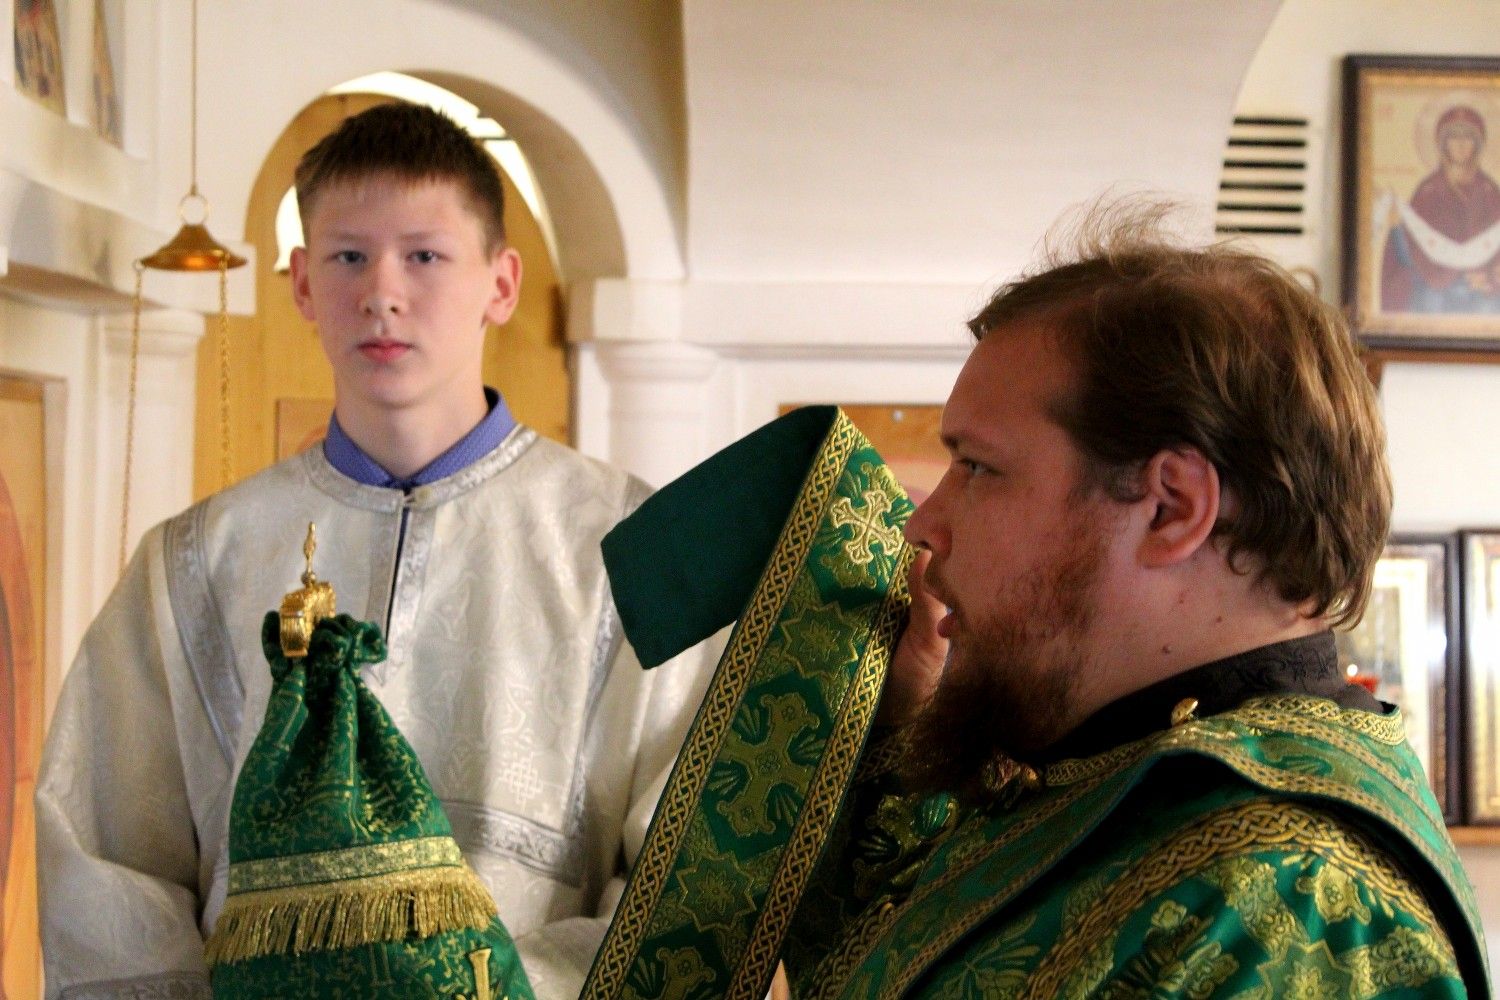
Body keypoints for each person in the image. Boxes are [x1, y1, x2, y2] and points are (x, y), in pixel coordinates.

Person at [36, 102, 709, 1000]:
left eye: (424, 256)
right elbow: (107, 862)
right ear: (302, 285)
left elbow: (685, 874)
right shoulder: (195, 562)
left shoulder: (633, 548)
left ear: (501, 284)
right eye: (349, 257)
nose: (382, 293)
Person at [767, 207, 1489, 995]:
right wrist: (899, 717)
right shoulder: (1126, 768)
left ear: (1172, 509)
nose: (925, 524)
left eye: (976, 467)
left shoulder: (1291, 896)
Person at [1381, 103, 1500, 314]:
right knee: (1430, 303)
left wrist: (1490, 276)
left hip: (1481, 286)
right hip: (1434, 282)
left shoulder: (1490, 192)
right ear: (1443, 144)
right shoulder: (1428, 191)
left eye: (1468, 137)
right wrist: (1436, 272)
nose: (1461, 144)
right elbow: (1411, 243)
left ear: (1477, 144)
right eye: (1454, 137)